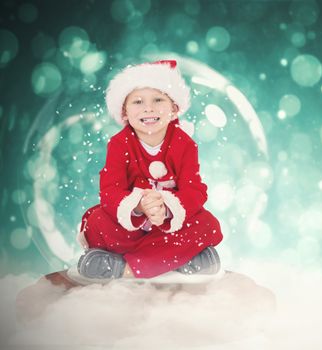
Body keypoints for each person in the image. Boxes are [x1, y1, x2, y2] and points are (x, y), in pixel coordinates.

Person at [76, 59, 223, 280]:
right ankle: (180, 259)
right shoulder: (118, 144)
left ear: (174, 109)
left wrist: (166, 209)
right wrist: (138, 206)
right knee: (96, 222)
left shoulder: (185, 144)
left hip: (168, 225)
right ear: (124, 112)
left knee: (207, 225)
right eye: (137, 102)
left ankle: (124, 269)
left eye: (158, 99)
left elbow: (194, 190)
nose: (148, 108)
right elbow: (110, 191)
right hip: (131, 226)